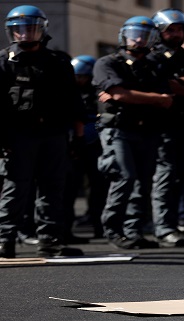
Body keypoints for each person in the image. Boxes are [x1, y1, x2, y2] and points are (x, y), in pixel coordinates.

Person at [0, 5, 86, 258]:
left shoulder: (58, 61)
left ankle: (50, 240)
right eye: (20, 30)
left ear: (42, 30)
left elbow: (74, 103)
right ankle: (5, 239)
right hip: (18, 136)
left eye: (32, 29)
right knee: (15, 188)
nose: (26, 34)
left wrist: (78, 137)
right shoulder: (4, 61)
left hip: (54, 135)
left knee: (52, 188)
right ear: (11, 33)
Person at [92, 16, 172, 250]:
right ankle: (113, 229)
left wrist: (132, 95)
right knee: (124, 177)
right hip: (118, 130)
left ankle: (133, 231)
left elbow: (168, 101)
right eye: (133, 34)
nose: (138, 40)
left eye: (144, 36)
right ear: (124, 36)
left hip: (147, 130)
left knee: (143, 182)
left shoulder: (155, 65)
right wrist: (153, 98)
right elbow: (118, 94)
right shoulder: (108, 62)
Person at [148, 8, 184, 247]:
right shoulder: (151, 57)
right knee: (164, 177)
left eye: (179, 29)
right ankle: (163, 228)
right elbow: (165, 86)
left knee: (180, 178)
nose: (175, 34)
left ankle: (172, 226)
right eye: (170, 30)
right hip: (160, 127)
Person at [64, 55, 108, 240]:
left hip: (96, 146)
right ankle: (65, 229)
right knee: (69, 187)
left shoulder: (99, 92)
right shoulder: (70, 92)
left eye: (82, 76)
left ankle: (100, 226)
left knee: (98, 187)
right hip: (76, 145)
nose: (78, 79)